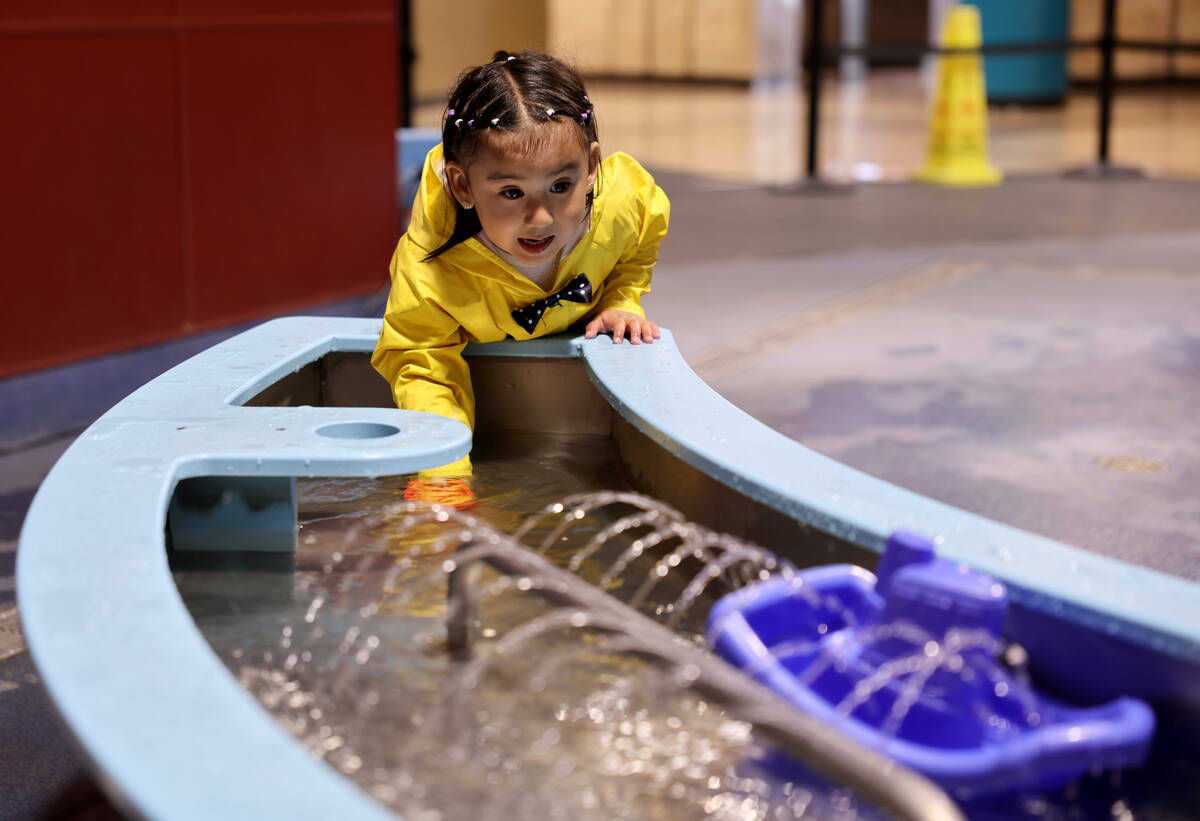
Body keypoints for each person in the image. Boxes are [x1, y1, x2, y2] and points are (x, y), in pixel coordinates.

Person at [372, 51, 670, 505]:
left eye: (560, 186)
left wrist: (621, 298)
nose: (540, 218)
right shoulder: (430, 267)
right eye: (511, 192)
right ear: (463, 187)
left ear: (591, 168)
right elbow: (423, 363)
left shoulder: (622, 204)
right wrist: (442, 473)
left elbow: (642, 239)